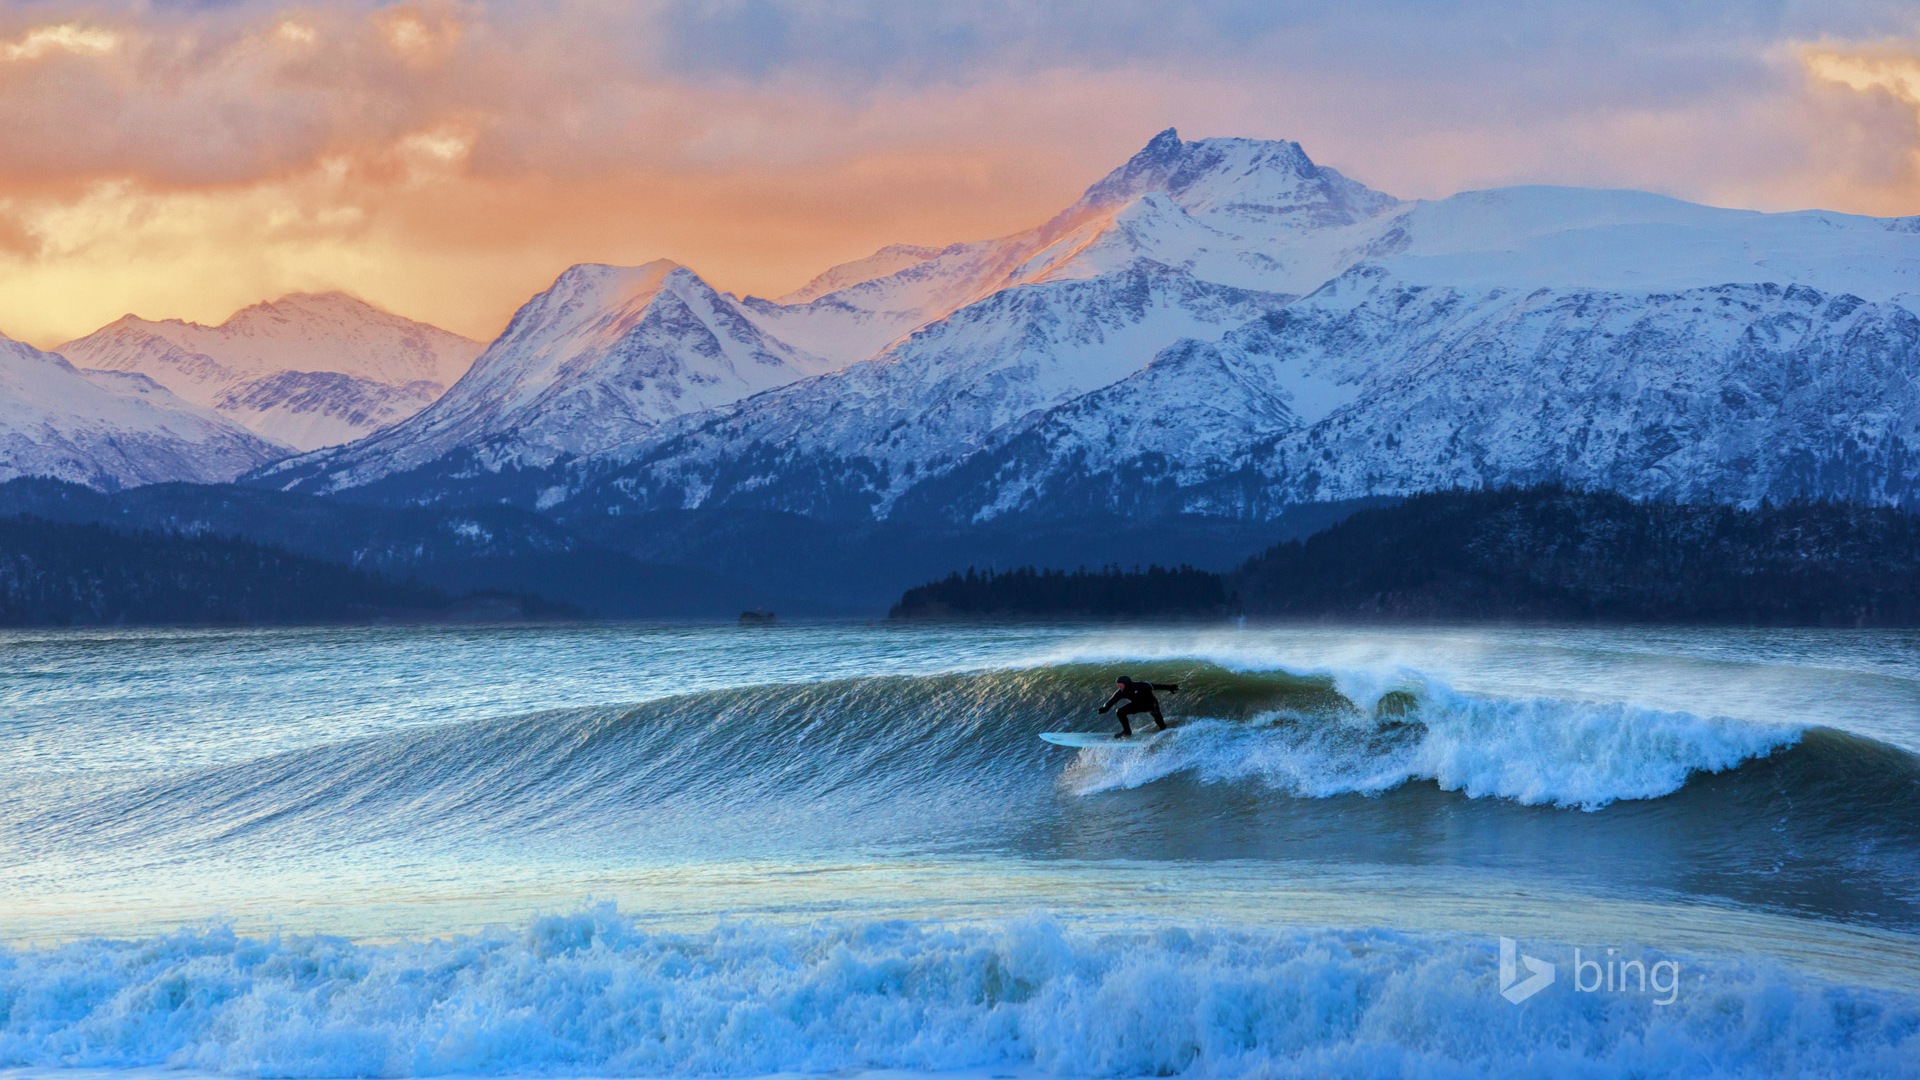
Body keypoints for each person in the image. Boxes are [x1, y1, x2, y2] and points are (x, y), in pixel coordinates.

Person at [1097, 675, 1180, 738]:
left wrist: (1169, 687)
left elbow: (1156, 686)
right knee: (1120, 711)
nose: (1119, 687)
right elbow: (1111, 701)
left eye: (1120, 685)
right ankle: (1127, 731)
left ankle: (1164, 731)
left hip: (1150, 704)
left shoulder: (1141, 685)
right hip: (1137, 705)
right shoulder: (1121, 692)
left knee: (1159, 720)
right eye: (1117, 685)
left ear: (1126, 683)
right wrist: (1105, 708)